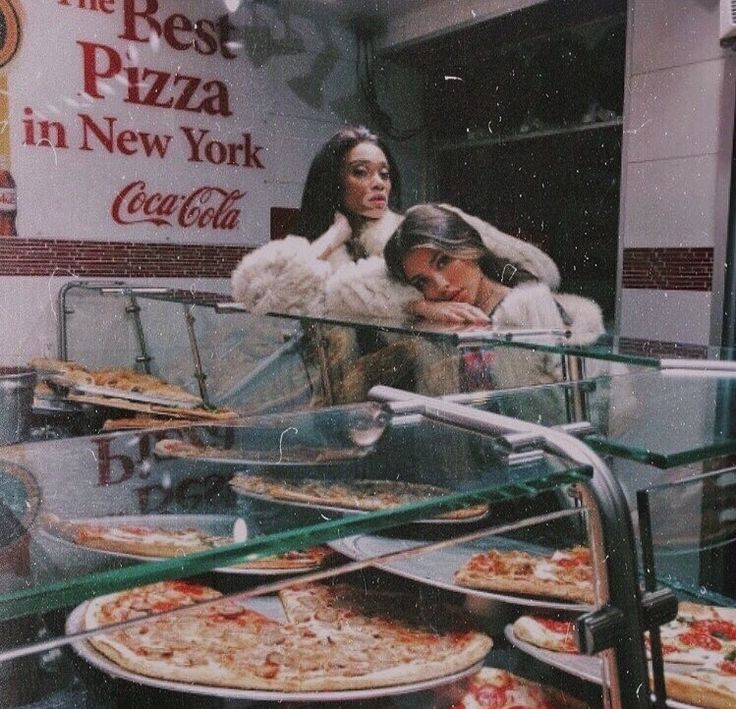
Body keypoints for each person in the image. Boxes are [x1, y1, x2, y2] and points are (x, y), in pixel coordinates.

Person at [381, 203, 606, 390]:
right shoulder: (439, 316)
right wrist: (418, 306)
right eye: (422, 281)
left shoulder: (530, 310)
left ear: (469, 247)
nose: (440, 286)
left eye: (443, 261)